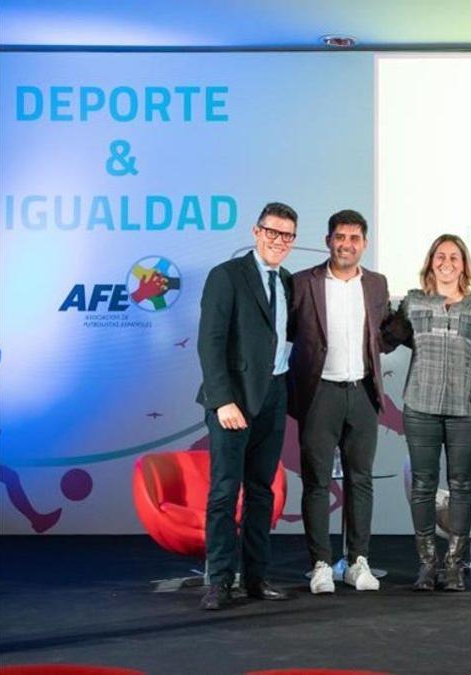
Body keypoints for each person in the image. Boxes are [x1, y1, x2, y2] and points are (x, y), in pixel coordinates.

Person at [287, 209, 399, 594]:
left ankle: (358, 562)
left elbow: (382, 335)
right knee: (317, 481)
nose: (346, 244)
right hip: (319, 394)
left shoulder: (377, 284)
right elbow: (287, 334)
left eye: (354, 238)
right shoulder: (302, 283)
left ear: (364, 244)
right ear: (328, 240)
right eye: (340, 237)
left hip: (363, 393)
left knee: (360, 481)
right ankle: (320, 564)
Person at [195, 202, 298, 610]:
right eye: (272, 232)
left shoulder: (287, 281)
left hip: (273, 396)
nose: (278, 241)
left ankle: (256, 577)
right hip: (232, 402)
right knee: (224, 492)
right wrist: (222, 401)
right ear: (256, 232)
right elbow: (210, 342)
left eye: (287, 235)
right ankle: (219, 580)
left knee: (262, 492)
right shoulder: (227, 276)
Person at [386, 234, 471, 592]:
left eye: (454, 257)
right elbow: (385, 340)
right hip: (421, 405)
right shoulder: (413, 304)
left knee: (461, 485)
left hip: (465, 407)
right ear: (431, 262)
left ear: (464, 265)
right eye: (440, 256)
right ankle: (427, 565)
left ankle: (454, 566)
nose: (447, 262)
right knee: (423, 485)